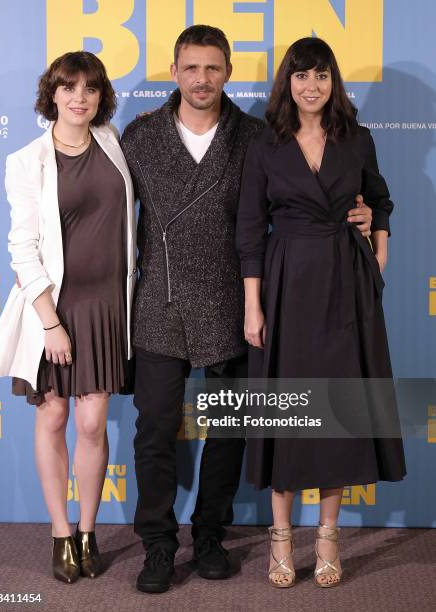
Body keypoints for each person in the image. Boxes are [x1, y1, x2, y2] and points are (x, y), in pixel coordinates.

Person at [121, 26, 373, 594]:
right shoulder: (138, 137)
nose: (202, 79)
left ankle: (209, 535)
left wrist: (361, 215)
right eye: (191, 67)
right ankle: (159, 546)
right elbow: (107, 216)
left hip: (234, 302)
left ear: (228, 71)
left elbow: (294, 206)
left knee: (229, 430)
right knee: (155, 431)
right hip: (159, 305)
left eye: (213, 68)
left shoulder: (258, 137)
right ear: (174, 71)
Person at [236, 37, 406, 589]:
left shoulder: (357, 139)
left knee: (336, 408)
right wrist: (252, 305)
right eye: (302, 75)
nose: (312, 86)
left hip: (346, 284)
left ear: (334, 82)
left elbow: (379, 200)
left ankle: (328, 535)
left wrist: (377, 255)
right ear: (287, 82)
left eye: (322, 75)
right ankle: (281, 537)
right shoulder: (265, 145)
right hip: (285, 285)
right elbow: (248, 233)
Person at [0, 51, 136, 584]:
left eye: (90, 89)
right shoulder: (26, 161)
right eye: (69, 87)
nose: (79, 97)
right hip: (55, 309)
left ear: (101, 97)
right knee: (52, 417)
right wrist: (50, 323)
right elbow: (22, 249)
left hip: (107, 306)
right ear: (52, 94)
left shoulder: (114, 142)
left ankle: (89, 530)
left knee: (93, 422)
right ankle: (60, 533)